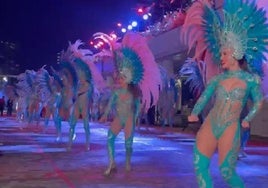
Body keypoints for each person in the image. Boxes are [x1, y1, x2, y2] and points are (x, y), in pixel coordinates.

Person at [187, 1, 268, 187]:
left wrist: (248, 118)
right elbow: (204, 97)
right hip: (210, 124)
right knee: (199, 165)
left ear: (235, 53)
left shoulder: (251, 80)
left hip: (231, 128)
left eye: (224, 54)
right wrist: (194, 112)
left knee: (227, 172)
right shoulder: (217, 80)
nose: (220, 57)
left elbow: (258, 101)